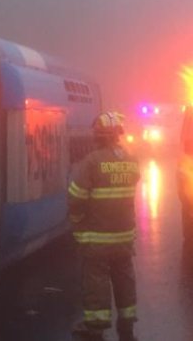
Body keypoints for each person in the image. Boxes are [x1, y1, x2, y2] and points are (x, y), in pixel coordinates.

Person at [68, 111, 140, 341]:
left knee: (96, 281)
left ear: (98, 135)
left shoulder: (91, 162)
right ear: (119, 135)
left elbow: (76, 197)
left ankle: (96, 329)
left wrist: (78, 221)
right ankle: (127, 326)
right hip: (125, 237)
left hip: (97, 237)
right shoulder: (131, 159)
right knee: (125, 278)